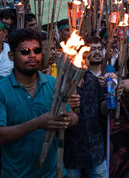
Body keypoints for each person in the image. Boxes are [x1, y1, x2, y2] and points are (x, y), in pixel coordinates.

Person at [0, 28, 78, 177]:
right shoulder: (2, 90)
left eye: (36, 50)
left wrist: (67, 120)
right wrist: (36, 124)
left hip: (54, 174)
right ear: (11, 56)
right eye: (25, 52)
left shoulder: (52, 83)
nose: (32, 56)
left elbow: (73, 117)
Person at [64, 51, 110, 178]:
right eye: (81, 58)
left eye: (87, 58)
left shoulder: (93, 81)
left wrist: (110, 103)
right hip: (71, 153)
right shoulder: (60, 84)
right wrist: (66, 105)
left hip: (95, 150)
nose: (85, 62)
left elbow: (101, 106)